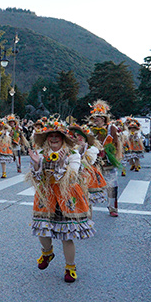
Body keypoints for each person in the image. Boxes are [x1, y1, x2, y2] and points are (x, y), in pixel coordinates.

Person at [28, 118, 92, 284]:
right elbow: (37, 178)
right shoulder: (41, 154)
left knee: (66, 235)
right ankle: (47, 252)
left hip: (66, 197)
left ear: (64, 138)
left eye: (58, 135)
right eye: (51, 135)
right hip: (46, 197)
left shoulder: (73, 155)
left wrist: (62, 163)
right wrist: (36, 166)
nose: (54, 138)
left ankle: (70, 267)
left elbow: (71, 178)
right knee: (42, 230)